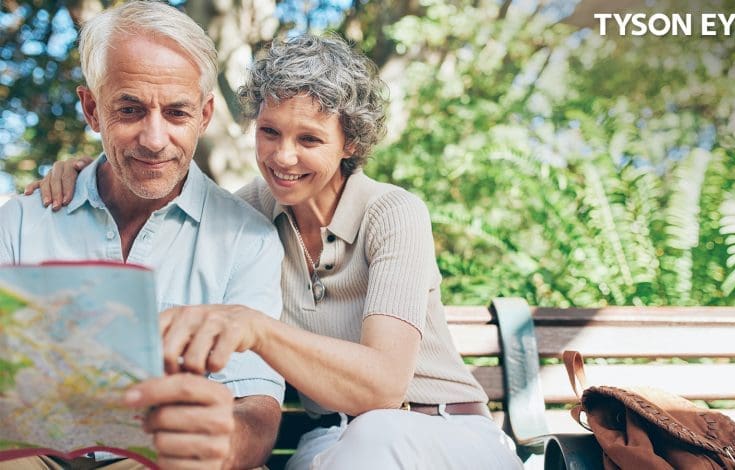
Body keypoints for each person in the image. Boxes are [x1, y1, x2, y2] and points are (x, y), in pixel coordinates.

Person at [30, 33, 525, 469]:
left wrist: (256, 327)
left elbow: (383, 388)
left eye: (309, 139)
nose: (283, 157)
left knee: (379, 434)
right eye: (270, 132)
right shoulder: (247, 214)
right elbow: (163, 190)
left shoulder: (392, 212)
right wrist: (85, 173)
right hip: (334, 438)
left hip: (442, 433)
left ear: (349, 142)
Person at [0, 2, 284, 469]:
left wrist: (210, 447)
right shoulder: (23, 223)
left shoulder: (245, 240)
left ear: (205, 115)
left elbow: (254, 409)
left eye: (176, 113)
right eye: (130, 110)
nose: (154, 139)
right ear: (92, 109)